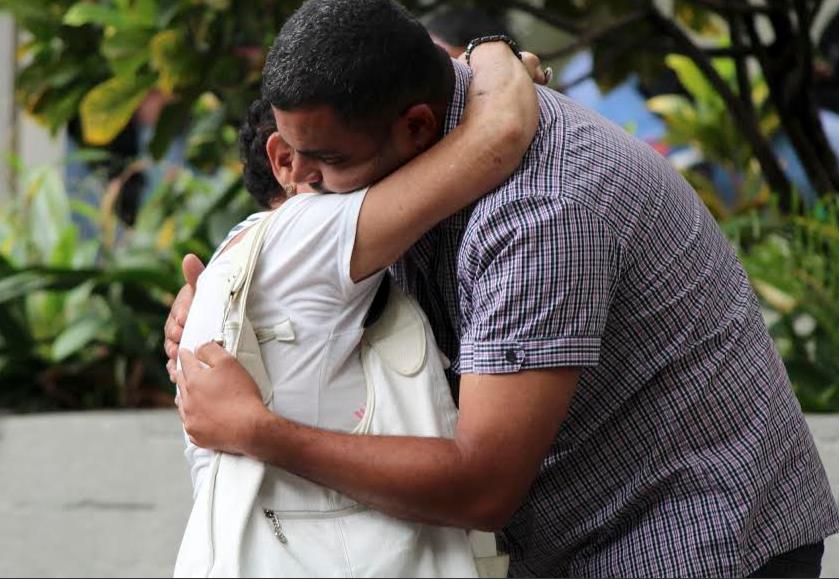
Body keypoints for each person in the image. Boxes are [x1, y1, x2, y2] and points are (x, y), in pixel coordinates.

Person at [166, 0, 839, 576]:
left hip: (689, 536)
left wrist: (258, 431)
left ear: (418, 127)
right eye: (286, 151)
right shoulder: (429, 99)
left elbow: (482, 481)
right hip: (571, 529)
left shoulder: (539, 213)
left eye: (328, 161)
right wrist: (235, 301)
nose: (300, 183)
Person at [173, 41, 545, 577]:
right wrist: (494, 53)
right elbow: (498, 135)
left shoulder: (241, 255)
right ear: (289, 163)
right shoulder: (316, 227)